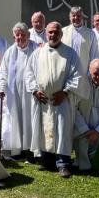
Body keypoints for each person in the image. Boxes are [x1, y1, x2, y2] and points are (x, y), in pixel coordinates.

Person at [24, 21, 80, 178]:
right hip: (43, 101)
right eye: (50, 32)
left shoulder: (70, 53)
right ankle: (47, 160)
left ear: (61, 34)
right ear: (46, 34)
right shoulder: (38, 53)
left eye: (56, 32)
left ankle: (63, 163)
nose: (53, 35)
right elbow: (29, 73)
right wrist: (35, 90)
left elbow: (76, 75)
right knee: (44, 129)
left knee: (62, 129)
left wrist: (65, 92)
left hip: (61, 100)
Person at [0, 22, 38, 159]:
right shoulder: (10, 51)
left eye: (23, 35)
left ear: (28, 35)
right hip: (13, 91)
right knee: (15, 119)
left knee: (30, 119)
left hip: (31, 93)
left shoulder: (36, 49)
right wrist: (2, 88)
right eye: (17, 35)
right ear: (14, 36)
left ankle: (31, 150)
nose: (20, 37)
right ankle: (17, 150)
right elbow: (3, 73)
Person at [61, 6, 99, 99]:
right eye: (73, 16)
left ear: (82, 17)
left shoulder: (90, 33)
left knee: (83, 103)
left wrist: (91, 73)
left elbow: (94, 54)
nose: (76, 18)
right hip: (67, 73)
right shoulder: (63, 31)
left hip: (84, 74)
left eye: (78, 16)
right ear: (70, 17)